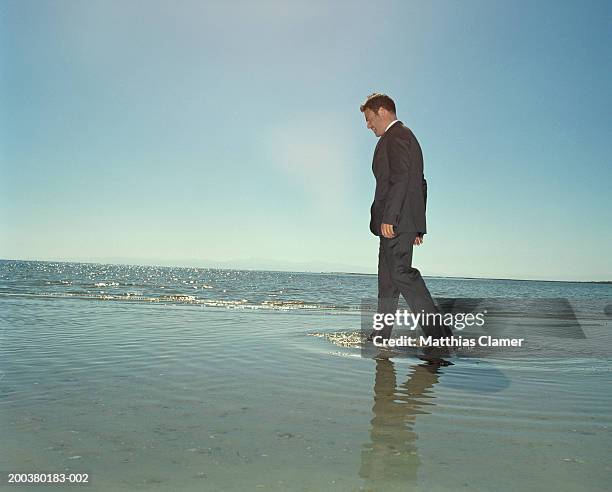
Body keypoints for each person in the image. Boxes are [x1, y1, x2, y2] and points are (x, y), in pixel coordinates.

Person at [360, 93, 453, 364]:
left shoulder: (397, 136)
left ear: (382, 111)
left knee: (401, 274)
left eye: (368, 119)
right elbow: (419, 183)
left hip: (394, 220)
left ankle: (438, 334)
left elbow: (402, 179)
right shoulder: (399, 137)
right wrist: (417, 226)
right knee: (387, 281)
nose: (368, 126)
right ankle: (381, 334)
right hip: (397, 221)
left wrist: (393, 218)